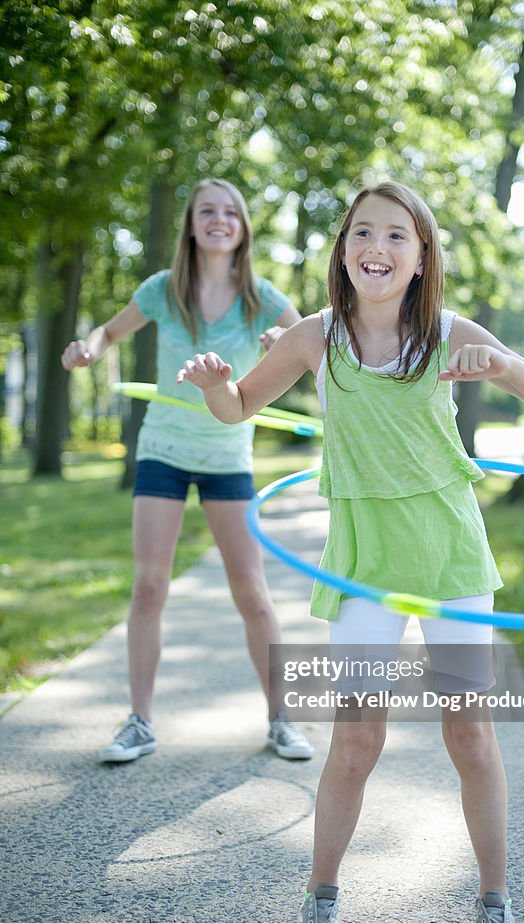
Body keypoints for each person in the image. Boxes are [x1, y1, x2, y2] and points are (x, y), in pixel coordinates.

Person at [177, 181, 524, 923]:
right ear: (343, 252)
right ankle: (320, 898)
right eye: (363, 233)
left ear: (422, 257)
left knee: (469, 734)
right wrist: (216, 384)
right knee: (356, 738)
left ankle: (495, 907)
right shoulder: (315, 337)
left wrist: (499, 368)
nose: (377, 248)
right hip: (361, 564)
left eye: (397, 236)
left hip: (450, 558)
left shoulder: (448, 332)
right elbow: (237, 410)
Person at [61, 178, 314, 764]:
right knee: (149, 587)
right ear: (192, 225)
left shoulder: (262, 297)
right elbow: (108, 331)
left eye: (230, 211)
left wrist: (280, 337)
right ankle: (140, 721)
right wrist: (89, 349)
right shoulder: (163, 290)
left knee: (251, 591)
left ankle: (282, 718)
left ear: (244, 226)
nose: (219, 219)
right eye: (207, 211)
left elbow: (305, 344)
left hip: (228, 457)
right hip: (164, 452)